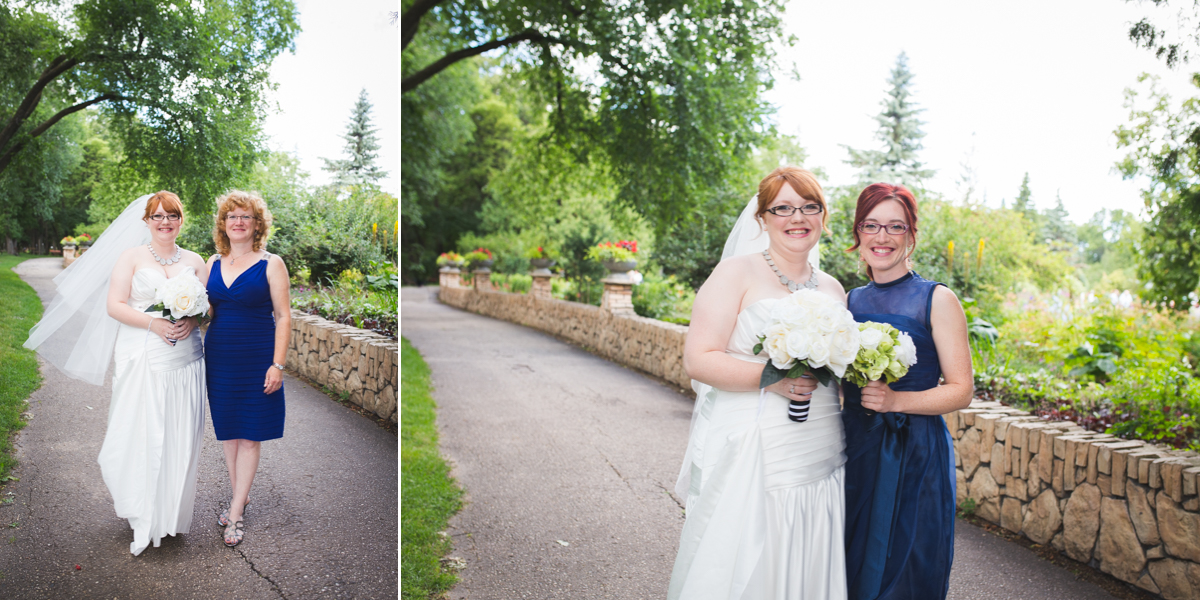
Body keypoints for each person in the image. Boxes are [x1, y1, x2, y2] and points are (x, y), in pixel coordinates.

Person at [669, 167, 848, 599]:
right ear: (762, 218)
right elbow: (699, 359)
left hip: (821, 443)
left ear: (823, 216)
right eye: (782, 208)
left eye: (809, 206)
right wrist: (774, 379)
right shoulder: (735, 274)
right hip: (756, 441)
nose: (797, 217)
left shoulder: (833, 288)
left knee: (811, 545)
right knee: (747, 553)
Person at [24, 191, 209, 556]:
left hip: (186, 359)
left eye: (171, 215)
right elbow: (114, 305)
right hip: (142, 353)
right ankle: (143, 510)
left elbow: (207, 308)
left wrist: (193, 316)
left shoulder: (195, 260)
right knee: (143, 429)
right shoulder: (131, 257)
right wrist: (154, 325)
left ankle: (170, 514)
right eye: (156, 216)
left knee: (181, 433)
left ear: (181, 220)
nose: (164, 222)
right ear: (146, 221)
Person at [840, 183, 973, 600]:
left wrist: (898, 401)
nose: (882, 237)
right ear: (858, 233)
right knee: (850, 561)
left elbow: (961, 390)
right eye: (871, 225)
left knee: (908, 568)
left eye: (895, 226)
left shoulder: (936, 298)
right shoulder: (849, 301)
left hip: (913, 453)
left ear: (911, 235)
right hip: (853, 451)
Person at [204, 190, 291, 547]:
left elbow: (284, 316)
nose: (238, 222)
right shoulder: (211, 263)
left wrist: (278, 364)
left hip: (257, 357)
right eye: (232, 216)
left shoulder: (272, 263)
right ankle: (242, 492)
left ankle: (235, 513)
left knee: (251, 432)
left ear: (257, 225)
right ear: (223, 224)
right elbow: (206, 311)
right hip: (220, 356)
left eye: (246, 217)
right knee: (229, 431)